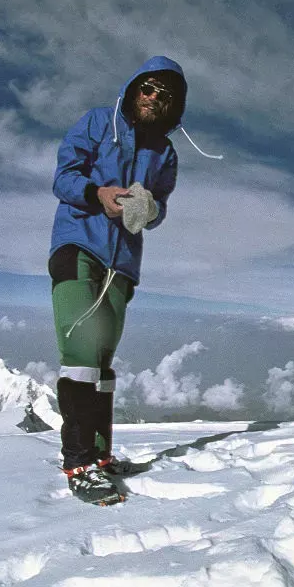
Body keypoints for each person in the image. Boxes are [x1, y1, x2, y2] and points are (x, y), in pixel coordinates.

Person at [48, 55, 187, 504]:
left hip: (123, 264)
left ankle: (101, 457)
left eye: (165, 95)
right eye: (148, 88)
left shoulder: (165, 153)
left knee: (103, 361)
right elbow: (64, 177)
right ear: (133, 88)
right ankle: (79, 462)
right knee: (82, 350)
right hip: (78, 246)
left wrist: (151, 211)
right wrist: (98, 194)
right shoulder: (96, 123)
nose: (155, 98)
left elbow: (160, 206)